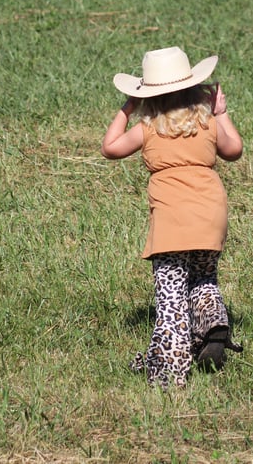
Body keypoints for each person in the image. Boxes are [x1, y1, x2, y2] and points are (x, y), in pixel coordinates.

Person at [101, 46, 244, 389]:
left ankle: (168, 372)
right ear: (195, 88)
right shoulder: (206, 122)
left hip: (171, 225)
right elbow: (234, 151)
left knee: (171, 299)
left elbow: (110, 148)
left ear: (148, 97)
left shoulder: (148, 128)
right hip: (211, 216)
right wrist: (221, 112)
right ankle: (212, 326)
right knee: (204, 277)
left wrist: (127, 107)